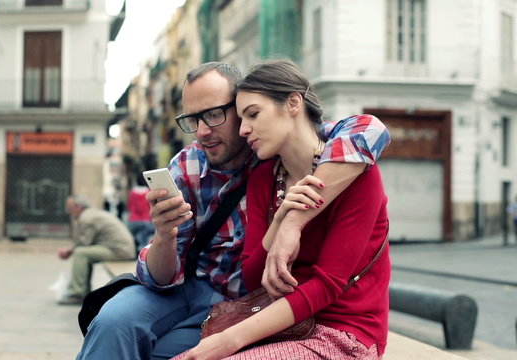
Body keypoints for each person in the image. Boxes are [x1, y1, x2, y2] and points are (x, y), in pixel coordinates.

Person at [76, 62, 390, 359]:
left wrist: (293, 220)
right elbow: (162, 277)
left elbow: (369, 131)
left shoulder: (315, 156)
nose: (201, 131)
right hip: (192, 286)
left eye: (213, 115)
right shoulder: (205, 168)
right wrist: (164, 234)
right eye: (192, 120)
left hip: (253, 306)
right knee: (112, 323)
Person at [178, 59, 390, 360]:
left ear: (293, 103)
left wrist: (229, 340)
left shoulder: (359, 174)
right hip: (277, 328)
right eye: (241, 118)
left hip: (343, 333)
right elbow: (253, 279)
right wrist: (279, 222)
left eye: (253, 114)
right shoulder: (265, 176)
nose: (244, 130)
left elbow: (326, 285)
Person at [58, 195, 136, 305]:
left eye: (70, 207)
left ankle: (77, 293)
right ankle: (82, 291)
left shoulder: (87, 218)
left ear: (79, 206)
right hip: (120, 249)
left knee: (81, 253)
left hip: (119, 251)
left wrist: (69, 251)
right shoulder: (91, 214)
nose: (68, 211)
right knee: (83, 253)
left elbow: (85, 243)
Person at [127, 175, 156, 252]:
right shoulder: (148, 192)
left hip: (133, 220)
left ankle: (132, 250)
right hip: (145, 220)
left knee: (131, 238)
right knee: (144, 239)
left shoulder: (132, 192)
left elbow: (129, 205)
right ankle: (142, 251)